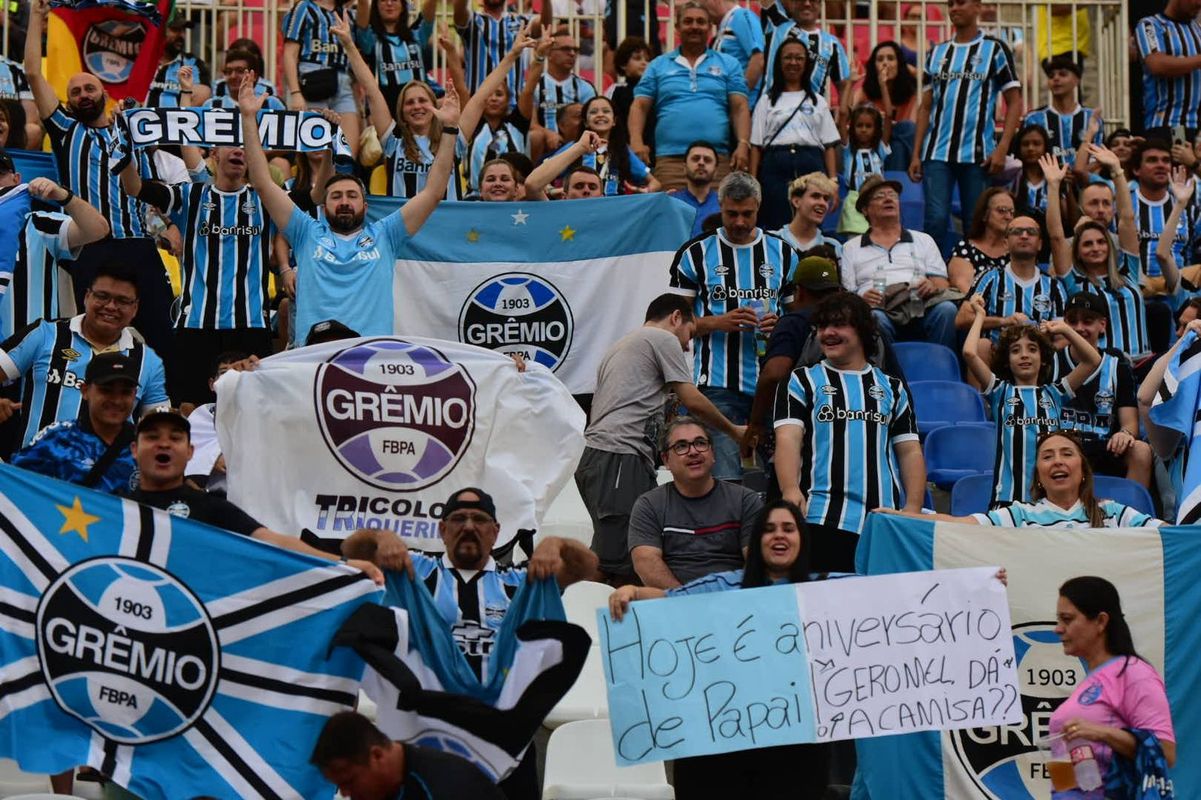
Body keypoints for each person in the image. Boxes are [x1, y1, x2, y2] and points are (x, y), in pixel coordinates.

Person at [342, 486, 597, 799]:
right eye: (459, 518)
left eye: (479, 519)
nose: (469, 526)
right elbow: (352, 551)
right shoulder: (416, 570)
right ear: (442, 529)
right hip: (426, 732)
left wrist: (556, 544)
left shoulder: (520, 580)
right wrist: (380, 537)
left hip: (502, 735)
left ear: (496, 532)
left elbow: (585, 566)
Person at [609, 500, 829, 799]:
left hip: (794, 745)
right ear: (756, 540)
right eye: (768, 529)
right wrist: (631, 592)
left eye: (789, 529)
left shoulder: (829, 593)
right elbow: (669, 601)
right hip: (724, 742)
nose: (779, 536)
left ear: (802, 539)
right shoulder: (723, 586)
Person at [238, 71, 458, 340]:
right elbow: (262, 183)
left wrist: (448, 130)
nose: (344, 202)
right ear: (323, 205)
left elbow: (434, 192)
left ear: (365, 206)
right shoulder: (306, 232)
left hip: (369, 356)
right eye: (336, 196)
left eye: (352, 196)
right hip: (313, 358)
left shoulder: (386, 235)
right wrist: (248, 118)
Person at [23, 0, 176, 360]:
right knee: (93, 340)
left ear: (105, 94)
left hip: (139, 243)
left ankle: (170, 406)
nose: (82, 95)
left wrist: (171, 225)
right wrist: (36, 17)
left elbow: (152, 188)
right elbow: (33, 72)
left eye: (89, 89)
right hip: (92, 246)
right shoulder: (64, 130)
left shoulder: (131, 129)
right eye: (74, 92)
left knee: (164, 334)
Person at [575, 293, 746, 583]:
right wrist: (734, 431)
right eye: (689, 335)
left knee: (621, 549)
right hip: (619, 457)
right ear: (676, 317)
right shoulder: (661, 339)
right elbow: (692, 399)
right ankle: (554, 598)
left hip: (610, 459)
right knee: (621, 561)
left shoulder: (623, 346)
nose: (687, 345)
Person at [129, 408, 383, 582]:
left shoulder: (212, 508)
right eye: (152, 437)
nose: (163, 444)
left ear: (190, 452)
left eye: (175, 438)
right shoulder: (111, 506)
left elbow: (273, 540)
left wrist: (343, 564)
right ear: (134, 450)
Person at [119, 132, 277, 407]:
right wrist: (124, 144)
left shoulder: (267, 198)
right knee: (190, 408)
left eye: (244, 144)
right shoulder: (188, 195)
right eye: (231, 143)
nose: (238, 150)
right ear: (213, 153)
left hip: (251, 324)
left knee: (253, 409)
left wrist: (327, 147)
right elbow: (134, 188)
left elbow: (315, 195)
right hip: (196, 325)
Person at [773, 291, 924, 571]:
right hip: (821, 516)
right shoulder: (801, 381)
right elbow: (788, 440)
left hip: (882, 520)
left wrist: (913, 509)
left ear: (864, 331)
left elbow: (910, 450)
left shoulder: (892, 387)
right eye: (821, 326)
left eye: (839, 325)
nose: (827, 333)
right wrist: (790, 489)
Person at [667, 171, 794, 481]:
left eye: (747, 214)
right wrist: (718, 322)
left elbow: (799, 320)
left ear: (759, 207)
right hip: (718, 387)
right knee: (725, 479)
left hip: (776, 385)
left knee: (779, 479)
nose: (739, 222)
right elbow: (673, 326)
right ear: (719, 206)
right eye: (731, 214)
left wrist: (780, 325)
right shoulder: (695, 253)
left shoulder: (784, 252)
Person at [0, 264, 168, 449]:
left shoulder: (149, 362)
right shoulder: (45, 335)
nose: (111, 306)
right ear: (87, 296)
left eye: (122, 301)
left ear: (135, 308)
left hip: (108, 475)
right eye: (103, 296)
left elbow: (161, 428)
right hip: (35, 471)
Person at [962, 297, 1101, 507]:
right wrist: (980, 316)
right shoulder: (1000, 392)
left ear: (1044, 358)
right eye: (1016, 350)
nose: (1024, 355)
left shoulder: (1055, 393)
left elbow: (1093, 360)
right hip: (1007, 499)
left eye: (1032, 349)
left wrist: (1065, 329)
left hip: (1048, 502)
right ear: (1007, 362)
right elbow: (969, 353)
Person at [909, 0, 1021, 256]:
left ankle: (976, 277)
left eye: (961, 2)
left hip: (978, 154)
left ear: (978, 7)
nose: (955, 8)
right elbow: (925, 107)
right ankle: (932, 276)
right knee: (935, 219)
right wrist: (916, 153)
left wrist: (1002, 148)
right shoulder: (936, 53)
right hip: (937, 151)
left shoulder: (995, 49)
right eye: (951, 4)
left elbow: (1014, 101)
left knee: (977, 221)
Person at [880, 431, 1162, 528]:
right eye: (1047, 457)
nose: (1058, 461)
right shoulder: (1021, 515)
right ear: (1038, 474)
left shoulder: (1114, 513)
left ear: (1083, 469)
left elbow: (1168, 534)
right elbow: (960, 525)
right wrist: (901, 517)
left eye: (1067, 454)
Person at [1050, 576, 1176, 793]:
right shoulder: (1094, 678)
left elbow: (1166, 752)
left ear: (1101, 621)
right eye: (1059, 620)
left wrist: (1103, 733)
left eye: (1067, 619)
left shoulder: (1133, 673)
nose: (1058, 629)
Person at [627, 417, 763, 588]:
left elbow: (757, 560)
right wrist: (686, 599)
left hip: (733, 599)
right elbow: (646, 563)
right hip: (672, 602)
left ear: (712, 453)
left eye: (700, 443)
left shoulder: (745, 500)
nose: (693, 452)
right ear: (666, 459)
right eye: (681, 446)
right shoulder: (649, 505)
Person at [629, 1, 750, 190]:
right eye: (688, 21)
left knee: (716, 218)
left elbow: (740, 107)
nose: (694, 26)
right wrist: (636, 142)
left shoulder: (729, 64)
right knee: (671, 218)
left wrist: (743, 144)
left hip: (716, 161)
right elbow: (639, 106)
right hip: (670, 162)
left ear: (710, 28)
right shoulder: (657, 65)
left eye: (701, 22)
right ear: (677, 27)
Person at [839, 174, 958, 351]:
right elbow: (847, 295)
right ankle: (888, 373)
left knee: (947, 309)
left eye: (892, 195)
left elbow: (942, 283)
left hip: (919, 304)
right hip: (879, 308)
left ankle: (941, 366)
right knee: (874, 318)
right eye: (880, 196)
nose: (888, 199)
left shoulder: (923, 240)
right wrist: (861, 300)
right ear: (865, 209)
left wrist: (931, 286)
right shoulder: (851, 247)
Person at [1051, 293, 1152, 487]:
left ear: (1102, 325)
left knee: (1140, 450)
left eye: (1087, 321)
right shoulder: (1050, 361)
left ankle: (1130, 516)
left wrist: (1124, 434)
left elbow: (1130, 424)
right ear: (1064, 324)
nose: (1080, 328)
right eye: (1072, 321)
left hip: (1104, 447)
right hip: (1061, 448)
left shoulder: (1118, 366)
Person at [0, 166, 109, 341]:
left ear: (16, 179)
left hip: (31, 357)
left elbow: (98, 230)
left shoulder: (38, 223)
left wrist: (64, 197)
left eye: (0, 175)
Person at [10, 352, 138, 494]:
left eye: (125, 392)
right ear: (85, 391)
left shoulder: (148, 444)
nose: (116, 401)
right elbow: (13, 486)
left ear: (135, 394)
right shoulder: (57, 438)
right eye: (106, 391)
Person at [955, 215, 1068, 373]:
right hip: (995, 361)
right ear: (1005, 243)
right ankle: (981, 398)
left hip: (1038, 364)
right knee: (981, 345)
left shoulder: (1053, 286)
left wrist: (1042, 350)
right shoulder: (990, 278)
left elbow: (1062, 338)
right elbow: (962, 319)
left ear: (1040, 244)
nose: (1024, 235)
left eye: (1031, 232)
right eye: (1016, 231)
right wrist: (1004, 321)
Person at [748, 38, 839, 231]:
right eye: (788, 58)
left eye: (799, 58)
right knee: (775, 223)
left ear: (806, 63)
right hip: (775, 167)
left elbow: (829, 145)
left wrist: (832, 181)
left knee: (811, 222)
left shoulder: (819, 102)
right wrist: (754, 182)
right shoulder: (766, 101)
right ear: (779, 63)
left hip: (811, 163)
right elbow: (756, 146)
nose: (793, 63)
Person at [311, 711, 505, 800]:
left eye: (349, 781)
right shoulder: (383, 788)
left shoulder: (442, 788)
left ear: (377, 756)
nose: (345, 793)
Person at [283, 0, 361, 159]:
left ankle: (343, 182)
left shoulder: (345, 12)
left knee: (349, 152)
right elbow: (289, 54)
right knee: (314, 148)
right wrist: (296, 93)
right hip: (314, 79)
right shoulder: (303, 7)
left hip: (343, 82)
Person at [543, 96, 656, 196]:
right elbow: (542, 175)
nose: (600, 115)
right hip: (579, 207)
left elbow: (655, 183)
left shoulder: (623, 150)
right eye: (593, 112)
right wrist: (553, 191)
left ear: (614, 121)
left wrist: (641, 192)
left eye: (606, 111)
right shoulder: (575, 147)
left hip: (614, 211)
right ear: (586, 122)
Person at [1129, 140, 1199, 291]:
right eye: (1152, 160)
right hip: (1137, 287)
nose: (1160, 165)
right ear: (1136, 169)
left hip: (1179, 288)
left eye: (1166, 160)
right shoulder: (1122, 206)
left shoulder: (1189, 209)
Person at [521, 28, 596, 160]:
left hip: (576, 144)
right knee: (535, 136)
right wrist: (548, 133)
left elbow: (591, 123)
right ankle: (533, 176)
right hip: (544, 146)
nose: (572, 54)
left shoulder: (585, 87)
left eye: (575, 50)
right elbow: (530, 123)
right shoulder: (536, 85)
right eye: (566, 49)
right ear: (549, 53)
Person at [452, 0, 551, 100]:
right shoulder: (472, 20)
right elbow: (459, 11)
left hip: (515, 105)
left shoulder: (519, 21)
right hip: (477, 105)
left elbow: (545, 26)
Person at [355, 0, 435, 117]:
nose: (389, 3)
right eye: (383, 0)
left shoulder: (416, 35)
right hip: (386, 113)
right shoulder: (371, 39)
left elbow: (429, 13)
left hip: (420, 111)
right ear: (376, 7)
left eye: (395, 0)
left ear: (403, 6)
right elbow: (362, 7)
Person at [844, 41, 917, 167]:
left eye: (891, 58)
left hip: (894, 144)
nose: (885, 63)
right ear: (874, 66)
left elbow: (911, 128)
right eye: (880, 59)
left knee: (902, 138)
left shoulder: (910, 93)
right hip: (871, 142)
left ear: (899, 64)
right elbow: (849, 122)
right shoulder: (863, 91)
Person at [762, 0, 851, 104]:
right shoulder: (777, 24)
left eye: (813, 0)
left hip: (811, 114)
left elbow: (844, 85)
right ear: (793, 3)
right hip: (772, 110)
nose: (807, 3)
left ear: (820, 4)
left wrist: (844, 113)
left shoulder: (832, 44)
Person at [1135, 0, 1201, 139]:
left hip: (1198, 129)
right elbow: (1157, 64)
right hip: (1169, 124)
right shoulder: (1150, 25)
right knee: (1173, 160)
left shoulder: (1198, 30)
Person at [1023, 55, 1102, 168]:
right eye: (1051, 76)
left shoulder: (1092, 118)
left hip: (1084, 182)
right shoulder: (1034, 119)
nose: (1056, 78)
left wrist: (1079, 174)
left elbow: (1100, 157)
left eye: (1063, 74)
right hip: (1046, 181)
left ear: (1077, 80)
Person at [947, 188, 1014, 292]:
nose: (1008, 217)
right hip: (976, 305)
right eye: (1002, 210)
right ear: (984, 214)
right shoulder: (965, 249)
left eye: (1012, 212)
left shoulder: (1016, 252)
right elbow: (965, 288)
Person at [146, 12, 212, 108]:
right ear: (159, 31)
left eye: (183, 30)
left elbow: (203, 94)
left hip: (175, 121)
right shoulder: (141, 61)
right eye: (175, 30)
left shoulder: (194, 64)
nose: (182, 36)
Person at [773, 171, 842, 257]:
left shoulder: (834, 247)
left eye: (826, 198)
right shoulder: (771, 241)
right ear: (796, 201)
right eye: (816, 196)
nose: (822, 203)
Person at [707, 0, 764, 103]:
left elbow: (758, 58)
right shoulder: (726, 23)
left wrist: (740, 97)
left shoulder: (741, 16)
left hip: (746, 104)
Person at [667, 141, 720, 237]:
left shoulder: (724, 205)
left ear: (716, 171)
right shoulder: (671, 202)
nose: (701, 163)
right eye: (695, 159)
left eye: (707, 160)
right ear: (684, 167)